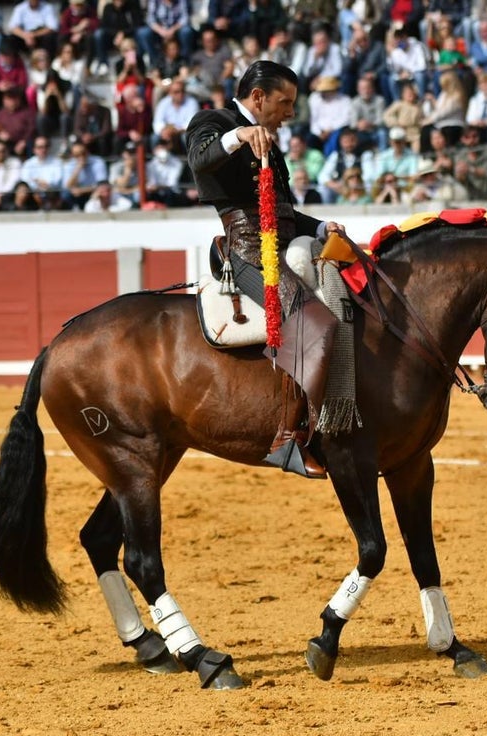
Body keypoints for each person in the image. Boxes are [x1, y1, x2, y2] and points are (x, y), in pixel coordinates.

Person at [184, 59, 345, 478]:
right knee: (311, 324)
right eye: (284, 101)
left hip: (281, 241)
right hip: (247, 252)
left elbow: (284, 210)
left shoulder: (269, 140)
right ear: (257, 97)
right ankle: (287, 438)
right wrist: (237, 134)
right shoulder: (213, 120)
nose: (290, 111)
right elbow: (201, 160)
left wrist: (324, 226)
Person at [153, 78, 199, 154]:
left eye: (182, 91)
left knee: (186, 138)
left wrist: (175, 130)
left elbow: (191, 123)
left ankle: (189, 161)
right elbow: (157, 122)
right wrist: (163, 130)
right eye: (176, 92)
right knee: (154, 138)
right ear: (170, 93)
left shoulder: (192, 102)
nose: (180, 94)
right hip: (166, 132)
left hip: (182, 132)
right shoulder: (164, 103)